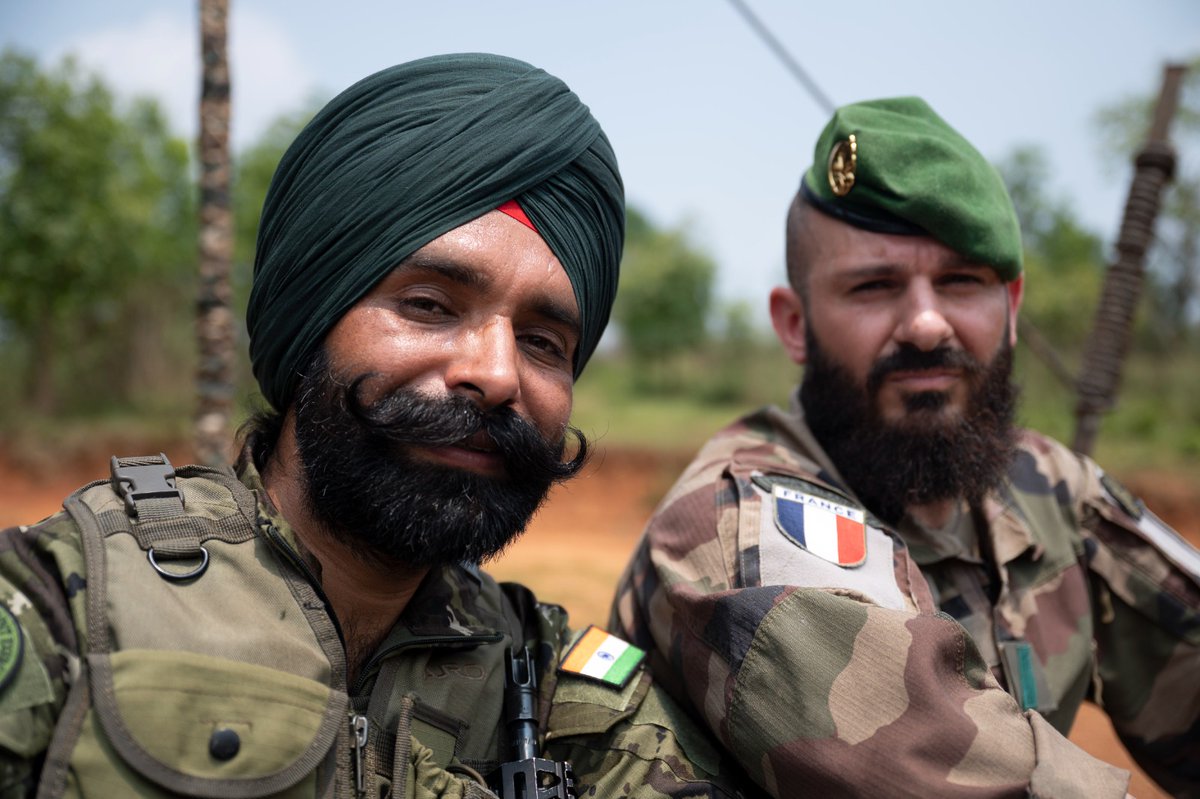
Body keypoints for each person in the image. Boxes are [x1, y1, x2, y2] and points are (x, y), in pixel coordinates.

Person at [0, 53, 744, 798]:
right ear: (311, 319)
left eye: (544, 342)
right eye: (429, 305)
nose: (497, 373)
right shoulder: (65, 613)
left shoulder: (565, 701)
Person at [612, 96, 1200, 798]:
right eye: (874, 286)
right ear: (795, 324)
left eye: (961, 281)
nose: (926, 323)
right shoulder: (731, 524)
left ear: (1010, 307)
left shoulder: (1047, 484)